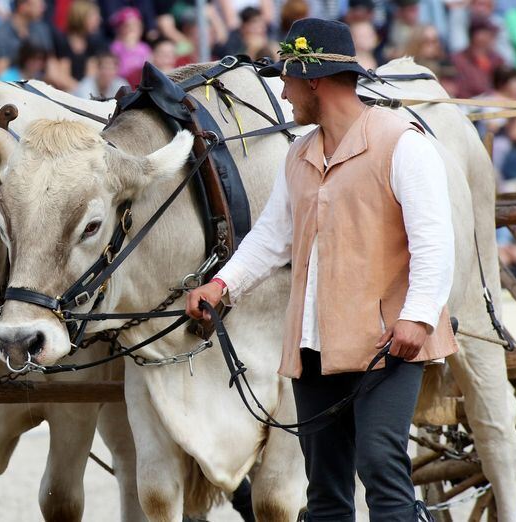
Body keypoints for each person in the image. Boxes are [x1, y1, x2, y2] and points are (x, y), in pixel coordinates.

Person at [185, 19, 457, 520]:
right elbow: (270, 237)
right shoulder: (299, 154)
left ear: (313, 80)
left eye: (287, 79)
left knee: (381, 468)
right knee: (325, 489)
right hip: (314, 346)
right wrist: (222, 284)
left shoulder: (403, 143)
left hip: (388, 343)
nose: (282, 93)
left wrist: (418, 316)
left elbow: (435, 241)